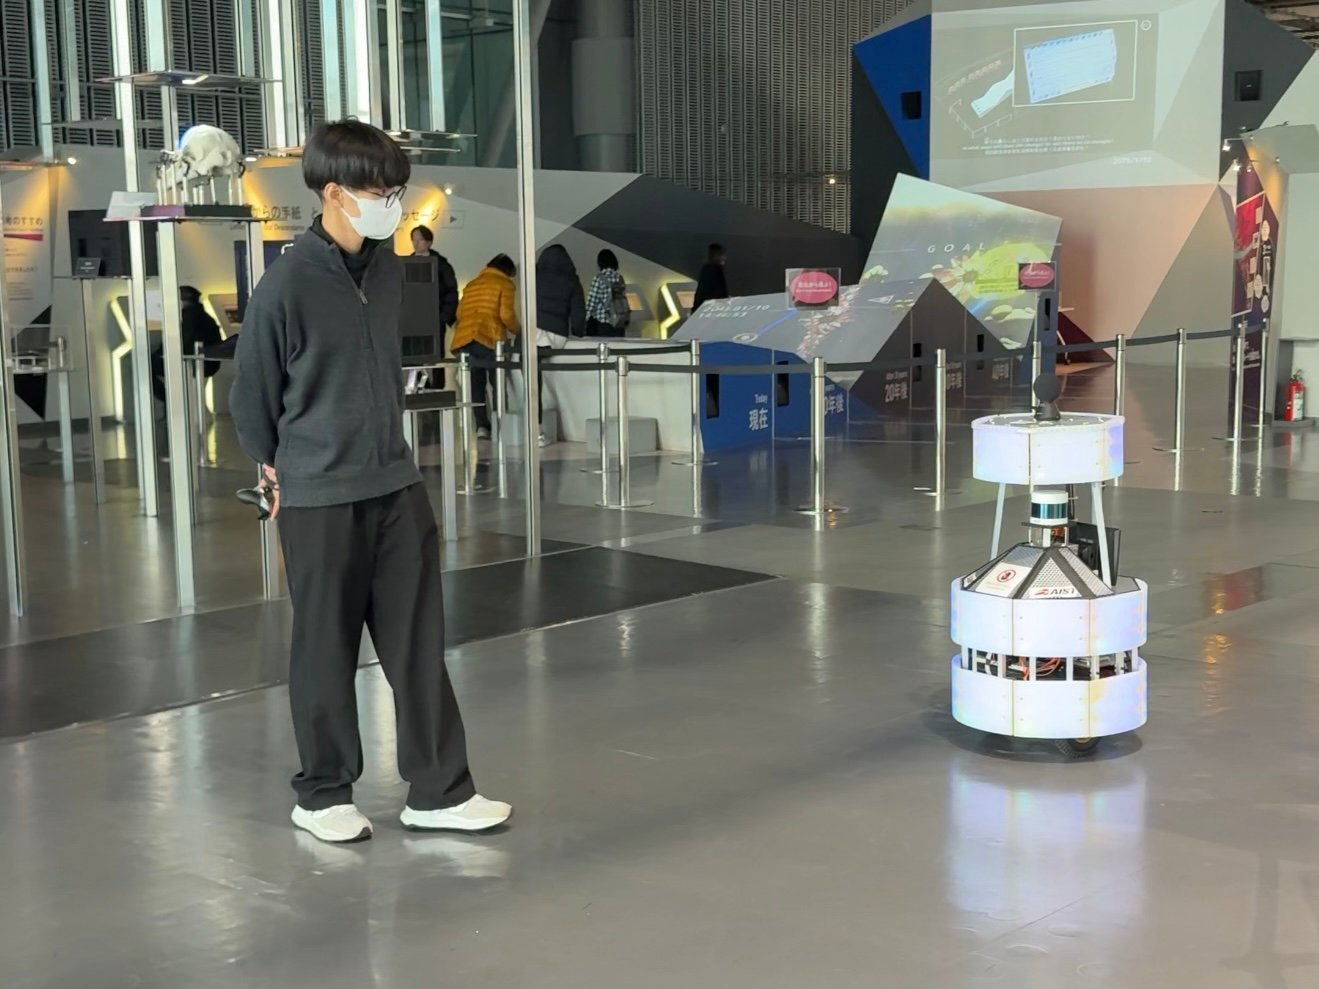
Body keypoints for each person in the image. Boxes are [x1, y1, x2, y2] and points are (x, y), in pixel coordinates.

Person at [229, 119, 511, 845]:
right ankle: (322, 793)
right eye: (377, 191)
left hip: (394, 484)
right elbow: (252, 393)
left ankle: (440, 790)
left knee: (418, 643)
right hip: (317, 491)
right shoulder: (286, 282)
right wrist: (273, 468)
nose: (391, 203)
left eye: (395, 189)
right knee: (324, 646)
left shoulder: (389, 271)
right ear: (331, 193)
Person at [452, 254, 519, 439]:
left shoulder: (472, 284)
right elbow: (506, 315)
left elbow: (459, 313)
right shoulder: (505, 284)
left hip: (466, 339)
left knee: (476, 385)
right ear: (507, 271)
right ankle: (500, 425)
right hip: (489, 337)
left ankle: (482, 427)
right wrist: (520, 330)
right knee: (497, 382)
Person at [150, 285, 223, 404]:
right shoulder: (205, 317)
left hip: (194, 363)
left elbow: (183, 342)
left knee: (148, 365)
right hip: (207, 363)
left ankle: (170, 401)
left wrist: (162, 353)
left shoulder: (188, 317)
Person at [409, 224, 460, 331]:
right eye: (414, 240)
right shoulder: (406, 263)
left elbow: (451, 291)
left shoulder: (440, 264)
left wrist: (444, 317)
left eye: (420, 239)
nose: (416, 243)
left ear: (429, 242)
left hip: (435, 317)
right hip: (411, 317)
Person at [535, 244, 585, 338]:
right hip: (558, 332)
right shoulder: (572, 281)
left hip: (534, 330)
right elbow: (578, 314)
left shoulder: (535, 278)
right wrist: (578, 333)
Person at [584, 249, 627, 337]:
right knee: (618, 348)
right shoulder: (620, 278)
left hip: (603, 321)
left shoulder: (598, 278)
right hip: (619, 322)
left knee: (604, 348)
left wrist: (585, 319)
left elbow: (591, 303)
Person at [692, 242, 729, 312]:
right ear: (716, 255)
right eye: (722, 255)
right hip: (712, 309)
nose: (724, 258)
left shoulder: (707, 269)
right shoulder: (715, 270)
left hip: (703, 308)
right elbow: (718, 291)